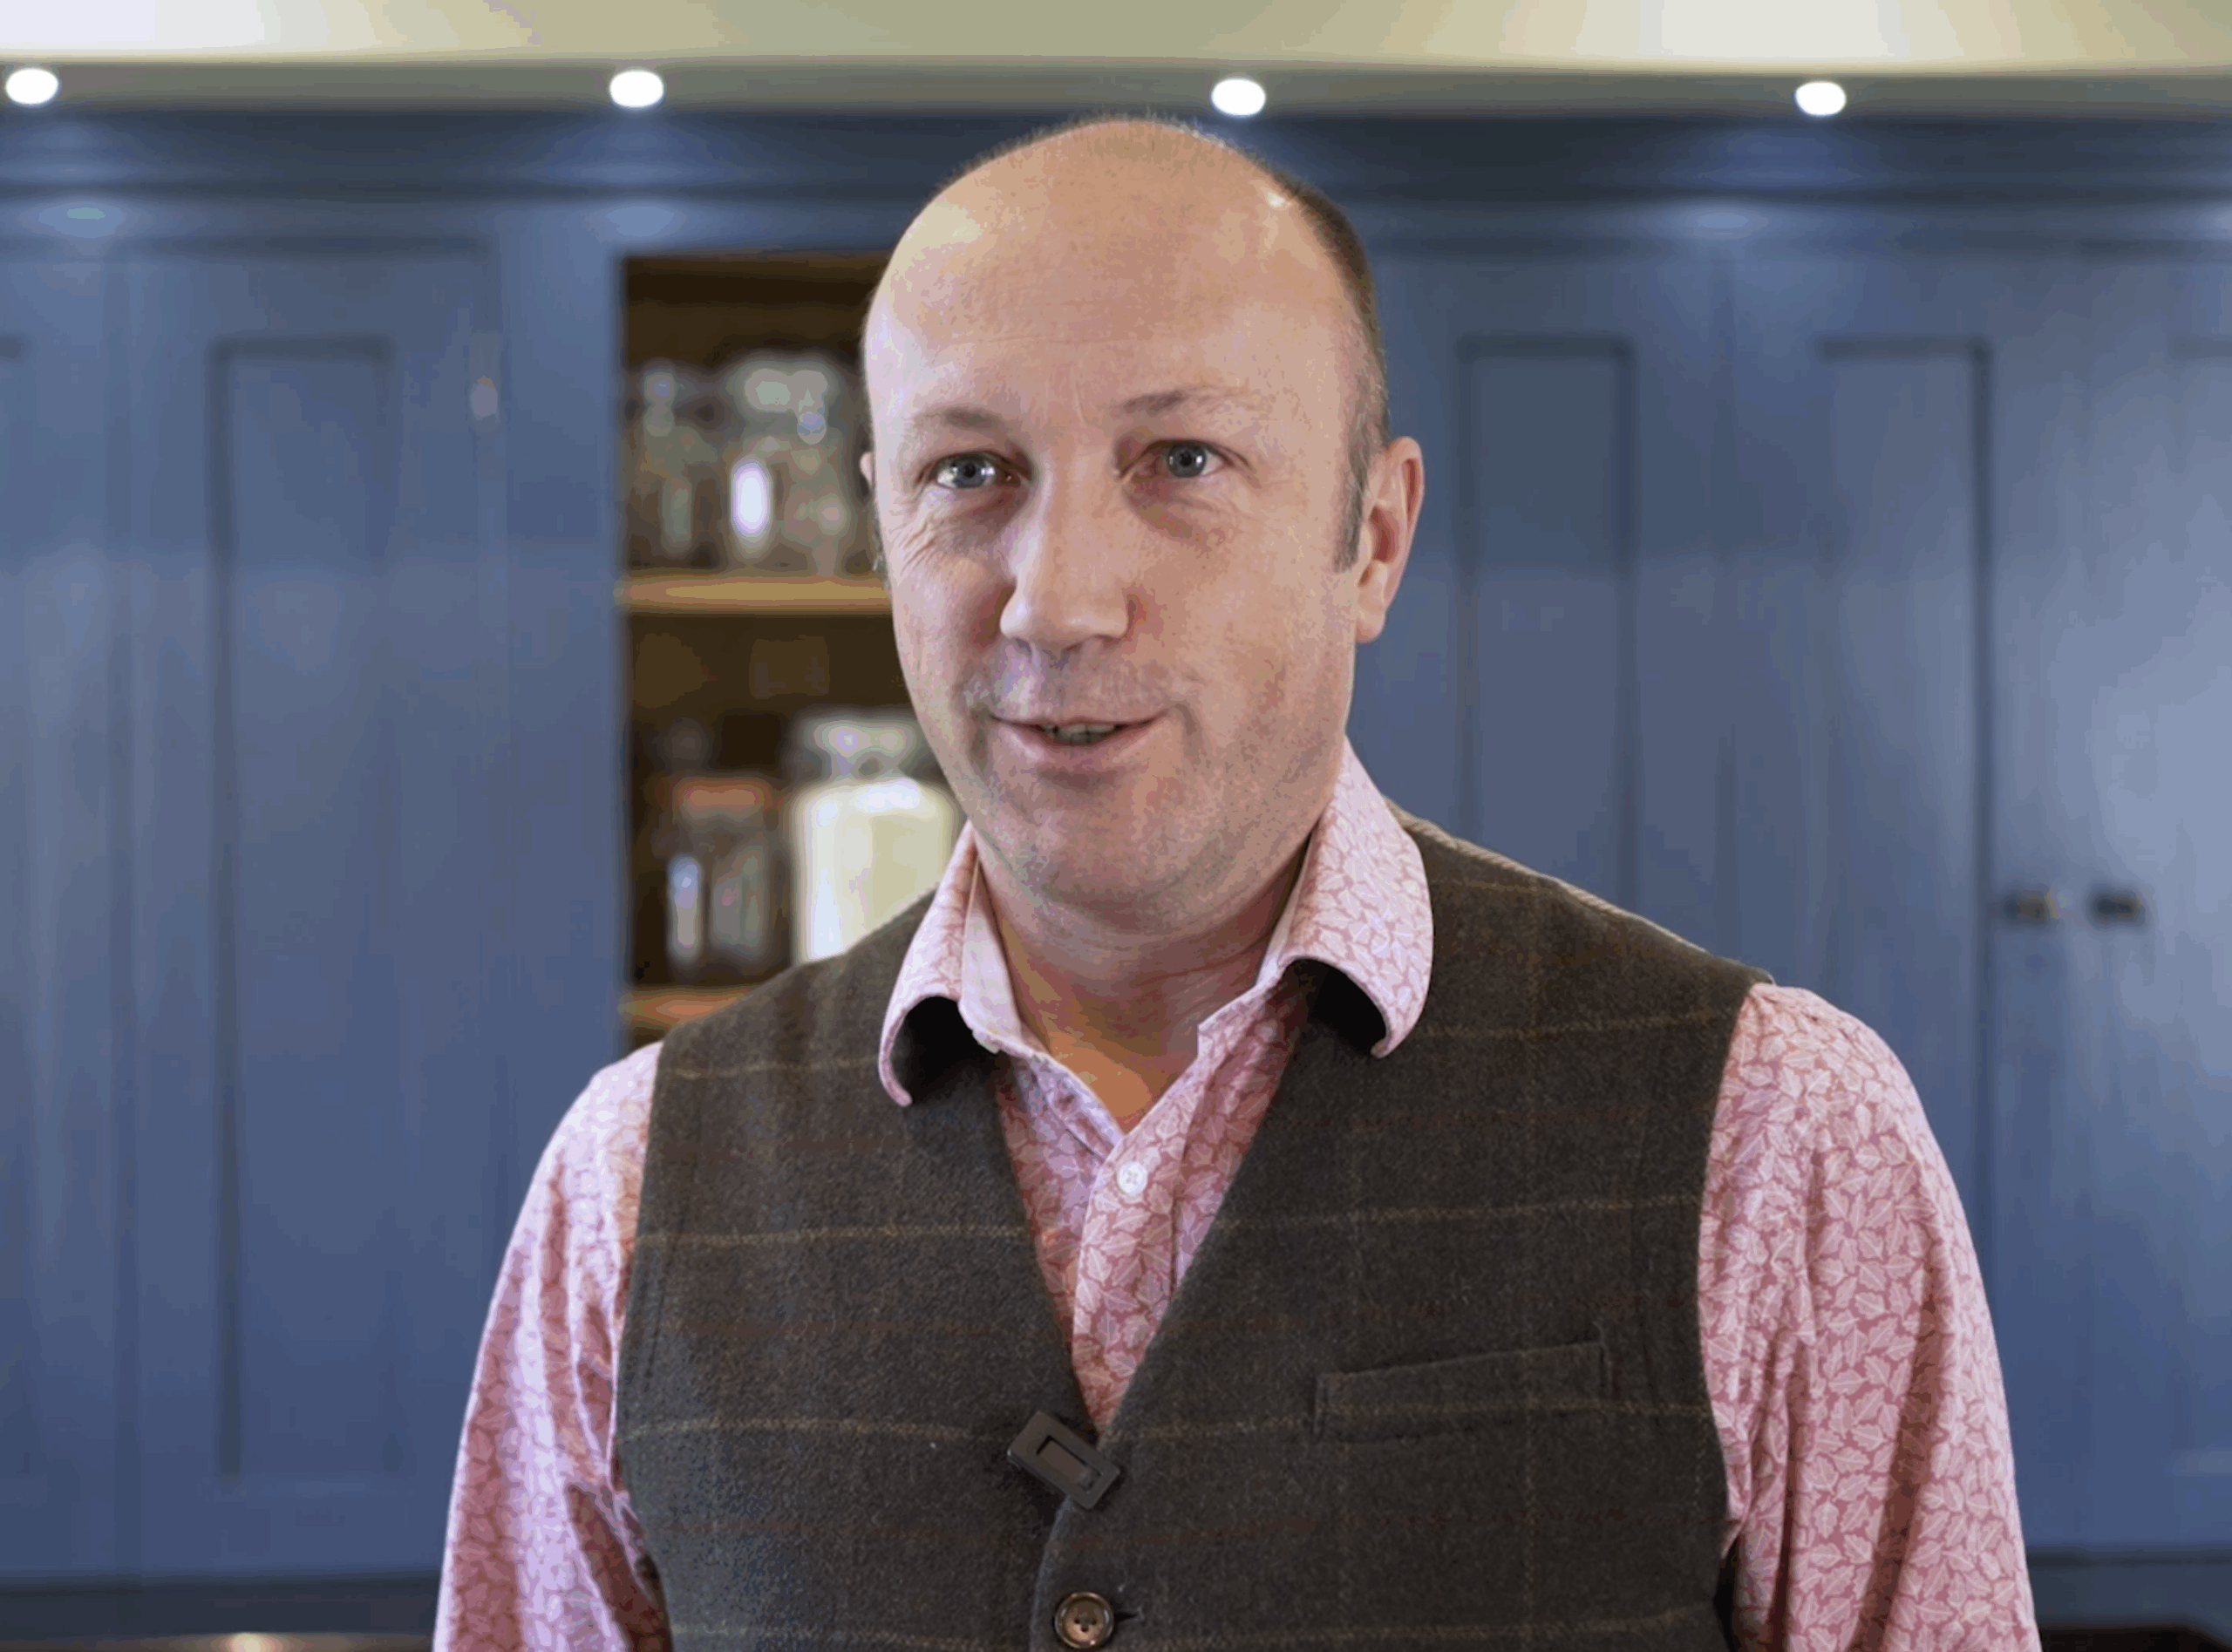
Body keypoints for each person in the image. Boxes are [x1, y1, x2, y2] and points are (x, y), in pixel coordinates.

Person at [435, 112, 2042, 1651]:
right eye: (968, 472)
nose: (1058, 598)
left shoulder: (1776, 1138)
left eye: (1182, 457)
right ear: (880, 531)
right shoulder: (629, 1185)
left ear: (1374, 541)